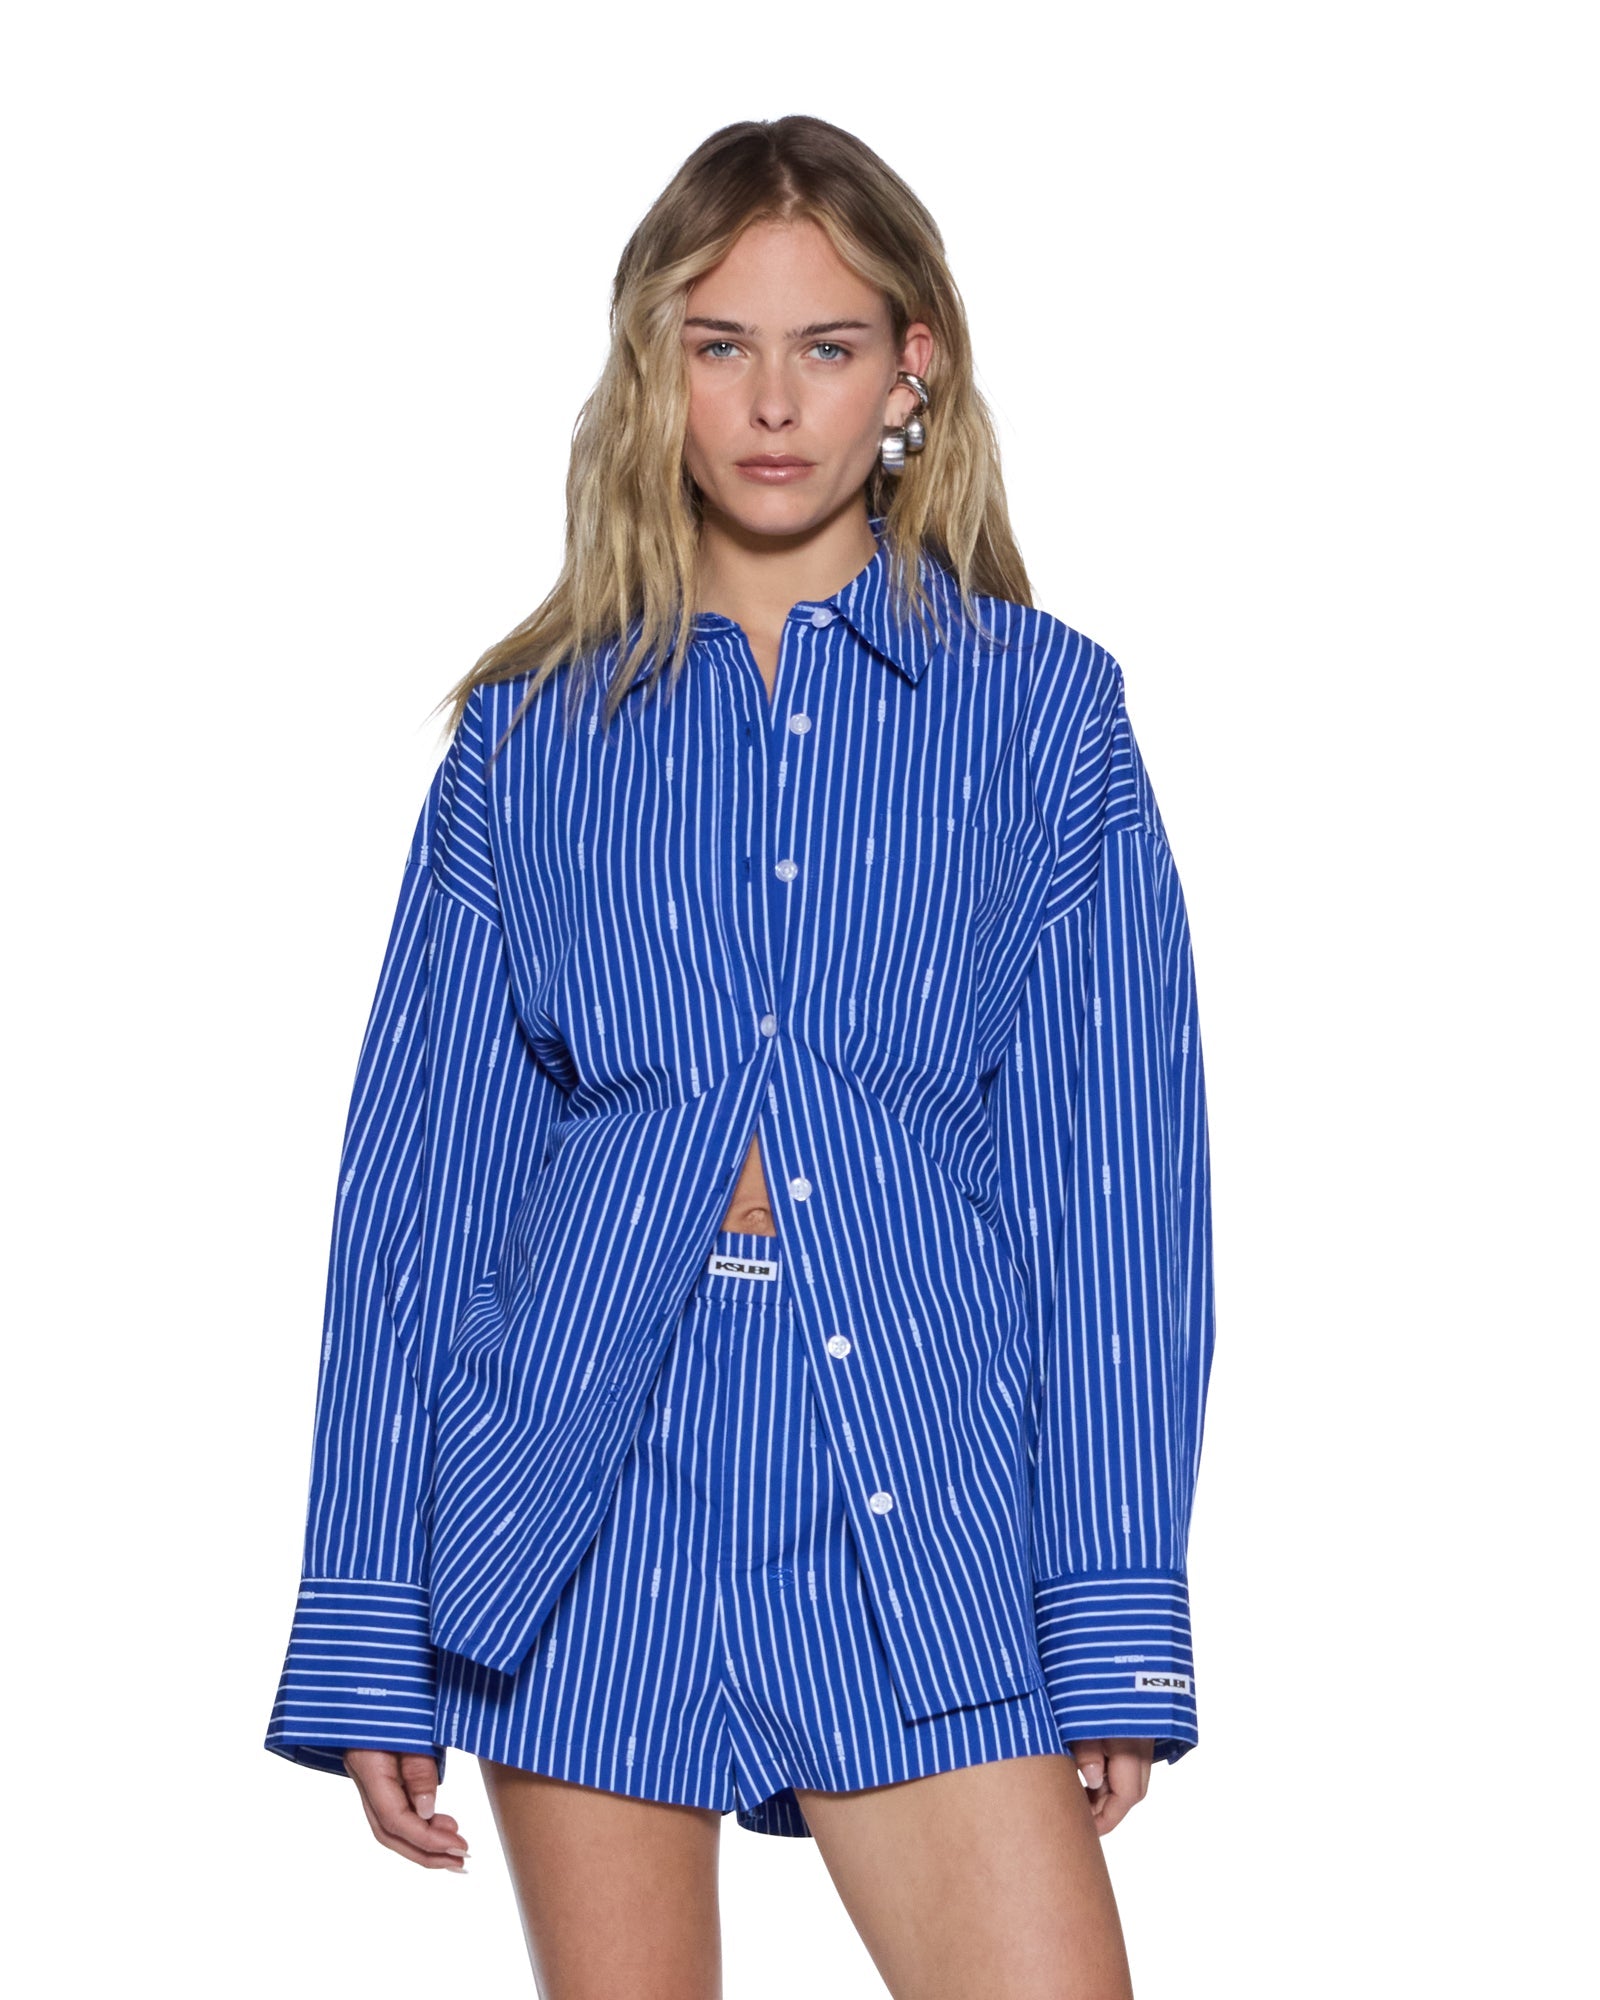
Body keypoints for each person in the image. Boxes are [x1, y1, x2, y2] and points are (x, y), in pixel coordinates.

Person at [264, 113, 1217, 2000]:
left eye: (827, 346)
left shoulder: (1045, 718)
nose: (775, 403)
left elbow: (1119, 1189)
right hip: (583, 1494)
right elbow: (422, 1200)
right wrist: (369, 1619)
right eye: (723, 346)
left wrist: (1111, 1607)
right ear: (658, 367)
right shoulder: (529, 740)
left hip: (917, 1483)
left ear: (911, 369)